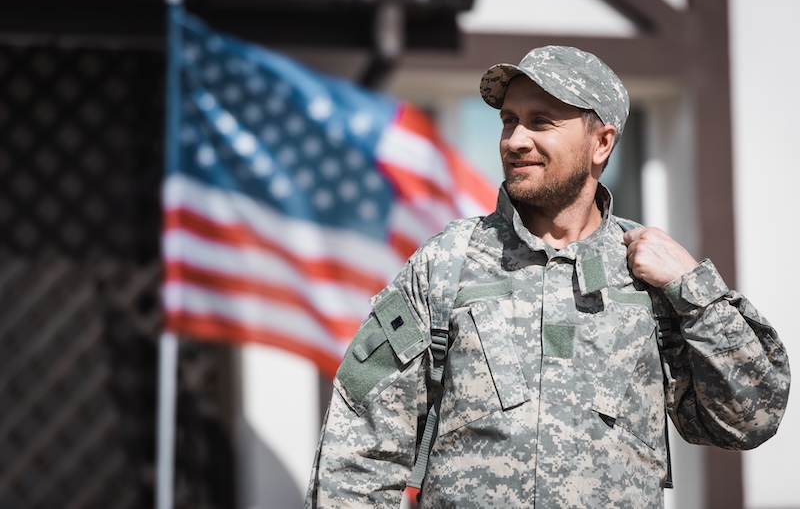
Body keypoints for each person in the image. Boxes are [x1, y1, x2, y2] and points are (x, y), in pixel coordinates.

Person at [305, 46, 791, 508]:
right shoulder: (444, 264)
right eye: (509, 121)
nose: (516, 140)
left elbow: (747, 419)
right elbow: (359, 448)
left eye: (541, 122)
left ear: (601, 143)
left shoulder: (654, 278)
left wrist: (695, 290)